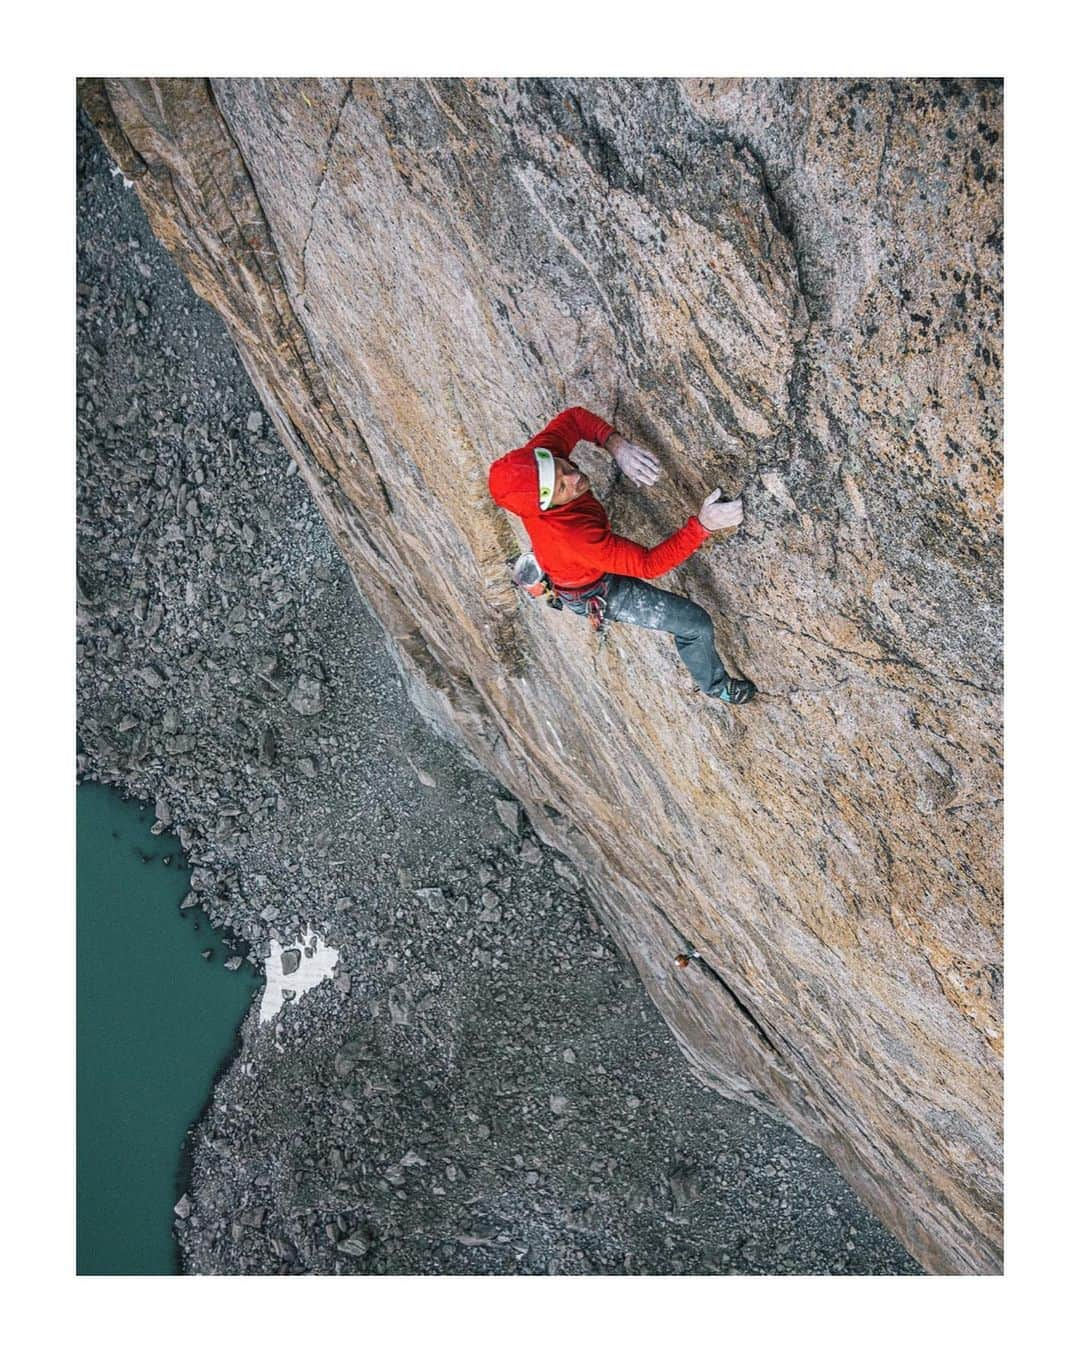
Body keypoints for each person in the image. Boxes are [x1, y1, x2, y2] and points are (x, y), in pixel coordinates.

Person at [487, 406, 757, 705]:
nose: (574, 477)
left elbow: (575, 419)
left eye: (562, 467)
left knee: (581, 547)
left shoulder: (539, 463)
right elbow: (648, 564)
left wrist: (618, 446)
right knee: (695, 625)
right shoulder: (575, 537)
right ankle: (716, 687)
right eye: (561, 488)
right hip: (592, 588)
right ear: (545, 506)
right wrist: (703, 525)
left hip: (577, 559)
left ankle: (551, 568)